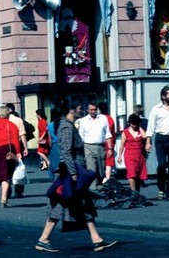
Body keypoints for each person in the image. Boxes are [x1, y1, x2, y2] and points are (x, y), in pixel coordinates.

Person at [34, 102, 118, 253]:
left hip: (75, 171)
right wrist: (73, 173)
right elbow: (66, 152)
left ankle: (96, 239)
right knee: (60, 203)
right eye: (80, 108)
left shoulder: (69, 125)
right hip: (71, 173)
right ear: (71, 110)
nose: (82, 110)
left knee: (84, 204)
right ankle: (44, 239)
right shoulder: (66, 127)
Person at [117, 113, 150, 193]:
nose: (134, 126)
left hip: (139, 155)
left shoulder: (140, 130)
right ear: (129, 123)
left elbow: (145, 136)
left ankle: (137, 193)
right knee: (131, 175)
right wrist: (119, 156)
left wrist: (140, 127)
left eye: (135, 124)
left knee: (138, 176)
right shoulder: (125, 132)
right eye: (132, 124)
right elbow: (122, 145)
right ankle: (133, 194)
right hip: (129, 155)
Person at [76, 103, 110, 180]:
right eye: (91, 110)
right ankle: (93, 188)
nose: (93, 111)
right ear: (88, 110)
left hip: (101, 147)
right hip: (89, 147)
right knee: (91, 170)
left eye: (95, 109)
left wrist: (110, 148)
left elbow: (107, 133)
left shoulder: (103, 118)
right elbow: (81, 136)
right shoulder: (83, 121)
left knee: (101, 172)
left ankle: (101, 187)